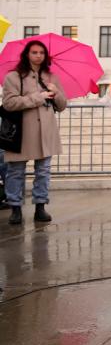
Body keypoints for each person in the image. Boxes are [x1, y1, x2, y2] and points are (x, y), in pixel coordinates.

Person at [1, 40, 67, 225]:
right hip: (20, 132)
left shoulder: (51, 77)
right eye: (34, 52)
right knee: (15, 171)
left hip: (46, 131)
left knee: (43, 171)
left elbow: (62, 106)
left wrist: (56, 93)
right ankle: (15, 207)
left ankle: (40, 206)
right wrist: (39, 97)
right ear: (27, 54)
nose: (38, 56)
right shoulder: (13, 77)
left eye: (41, 53)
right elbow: (9, 103)